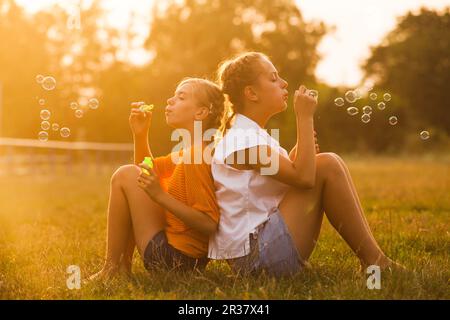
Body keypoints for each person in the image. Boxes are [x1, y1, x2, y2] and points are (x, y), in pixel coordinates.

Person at [209, 52, 403, 276]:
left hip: (260, 249)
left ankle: (374, 259)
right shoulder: (240, 140)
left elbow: (280, 179)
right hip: (256, 259)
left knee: (329, 162)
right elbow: (303, 178)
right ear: (251, 93)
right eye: (273, 79)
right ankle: (375, 261)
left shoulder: (250, 135)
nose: (284, 83)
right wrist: (304, 117)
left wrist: (294, 159)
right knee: (327, 164)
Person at [89, 78, 226, 280]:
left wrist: (160, 196)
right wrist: (141, 135)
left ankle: (113, 268)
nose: (170, 101)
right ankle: (120, 268)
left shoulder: (196, 156)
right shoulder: (190, 152)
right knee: (130, 175)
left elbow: (208, 224)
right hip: (180, 258)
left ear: (201, 112)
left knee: (124, 174)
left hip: (174, 260)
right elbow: (144, 171)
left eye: (181, 97)